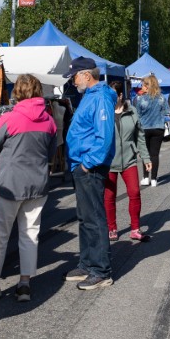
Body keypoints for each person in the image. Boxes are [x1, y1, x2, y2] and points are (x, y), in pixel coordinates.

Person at [0, 74, 56, 303]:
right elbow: (50, 152)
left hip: (10, 184)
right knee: (30, 234)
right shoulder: (49, 120)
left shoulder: (10, 118)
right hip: (38, 183)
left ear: (17, 91)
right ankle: (24, 284)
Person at [61, 58, 117, 290]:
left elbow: (104, 137)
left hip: (89, 166)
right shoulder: (92, 96)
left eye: (74, 77)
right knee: (85, 217)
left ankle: (101, 271)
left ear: (86, 75)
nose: (73, 82)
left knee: (94, 218)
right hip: (81, 164)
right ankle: (87, 263)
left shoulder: (101, 97)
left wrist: (88, 163)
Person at [106, 82, 151, 242]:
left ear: (120, 96)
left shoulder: (132, 111)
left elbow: (140, 136)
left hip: (129, 160)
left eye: (113, 95)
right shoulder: (104, 112)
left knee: (134, 192)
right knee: (109, 197)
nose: (109, 99)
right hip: (108, 162)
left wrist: (145, 157)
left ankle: (135, 228)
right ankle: (111, 228)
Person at [133, 74, 168, 186]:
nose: (142, 87)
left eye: (143, 85)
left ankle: (145, 177)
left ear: (147, 86)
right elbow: (166, 112)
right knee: (155, 154)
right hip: (158, 128)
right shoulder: (162, 98)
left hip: (144, 128)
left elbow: (137, 114)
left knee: (145, 154)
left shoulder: (141, 99)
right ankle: (154, 179)